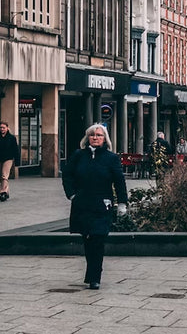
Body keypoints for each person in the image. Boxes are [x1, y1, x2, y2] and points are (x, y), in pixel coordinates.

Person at [63, 123, 129, 290]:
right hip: (82, 203)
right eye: (92, 135)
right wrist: (71, 194)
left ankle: (95, 277)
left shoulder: (111, 158)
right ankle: (90, 273)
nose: (95, 138)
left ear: (104, 138)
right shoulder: (79, 155)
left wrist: (122, 202)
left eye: (99, 135)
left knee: (98, 239)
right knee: (87, 239)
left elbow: (119, 181)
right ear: (87, 138)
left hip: (102, 204)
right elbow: (67, 175)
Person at [0, 121, 19, 202]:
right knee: (0, 177)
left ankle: (2, 193)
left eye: (4, 128)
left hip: (8, 159)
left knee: (4, 175)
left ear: (7, 128)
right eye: (1, 128)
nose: (2, 129)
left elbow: (16, 149)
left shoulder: (12, 138)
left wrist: (17, 161)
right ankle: (6, 192)